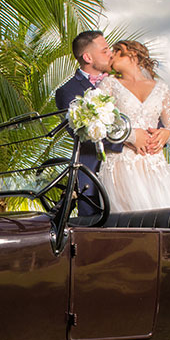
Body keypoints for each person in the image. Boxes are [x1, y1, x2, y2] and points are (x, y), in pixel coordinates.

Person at [94, 40, 170, 211]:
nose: (111, 55)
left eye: (117, 51)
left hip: (154, 165)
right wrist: (130, 135)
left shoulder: (161, 88)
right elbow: (98, 124)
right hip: (122, 165)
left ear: (133, 54)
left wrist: (166, 135)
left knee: (166, 218)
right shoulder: (109, 84)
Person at [55, 30, 124, 215]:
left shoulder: (125, 81)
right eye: (105, 50)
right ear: (87, 57)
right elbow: (83, 134)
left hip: (135, 174)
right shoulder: (68, 91)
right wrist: (131, 139)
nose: (111, 54)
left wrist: (158, 135)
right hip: (94, 181)